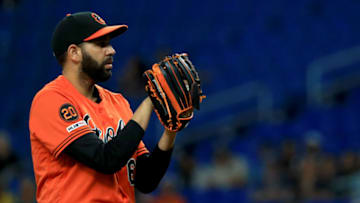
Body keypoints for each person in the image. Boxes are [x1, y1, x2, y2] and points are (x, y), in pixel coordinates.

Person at [29, 11, 179, 203]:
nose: (111, 50)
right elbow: (105, 159)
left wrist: (170, 131)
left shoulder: (118, 102)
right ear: (74, 53)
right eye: (101, 44)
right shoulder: (50, 100)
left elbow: (146, 180)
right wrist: (150, 101)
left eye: (109, 43)